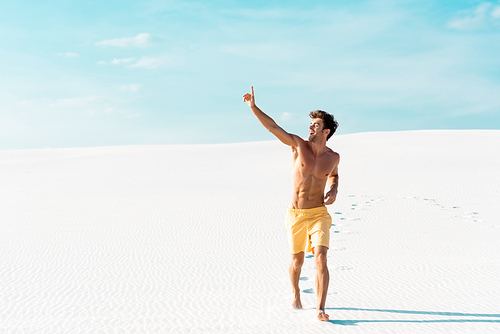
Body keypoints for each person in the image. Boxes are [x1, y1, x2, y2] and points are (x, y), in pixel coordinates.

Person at [243, 86, 340, 321]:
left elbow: (334, 174)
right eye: (311, 124)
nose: (311, 127)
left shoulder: (333, 157)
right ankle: (296, 292)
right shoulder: (298, 145)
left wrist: (334, 187)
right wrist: (254, 107)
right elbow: (273, 127)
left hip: (319, 213)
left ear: (325, 131)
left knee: (321, 257)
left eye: (316, 125)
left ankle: (320, 308)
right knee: (297, 261)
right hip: (296, 214)